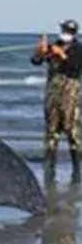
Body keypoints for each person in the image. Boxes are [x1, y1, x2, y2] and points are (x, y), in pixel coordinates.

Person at [32, 18, 82, 170]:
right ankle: (50, 163)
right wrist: (39, 53)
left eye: (67, 31)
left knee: (72, 130)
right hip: (52, 94)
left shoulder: (78, 48)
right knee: (51, 130)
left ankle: (76, 166)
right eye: (63, 30)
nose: (64, 34)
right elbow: (36, 61)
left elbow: (74, 68)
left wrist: (62, 55)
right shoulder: (55, 46)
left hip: (70, 96)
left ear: (73, 33)